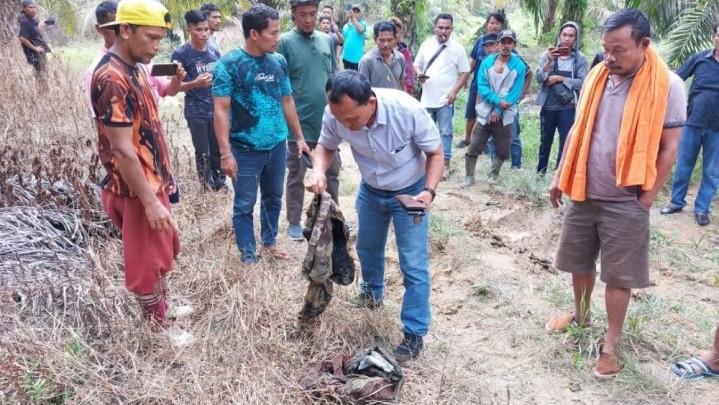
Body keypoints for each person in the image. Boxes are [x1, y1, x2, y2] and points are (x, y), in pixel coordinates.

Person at [545, 9, 687, 378]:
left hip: (626, 199)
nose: (609, 57)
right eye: (606, 49)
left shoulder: (668, 85)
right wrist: (561, 174)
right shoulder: (597, 75)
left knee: (619, 276)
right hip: (583, 188)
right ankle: (581, 315)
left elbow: (670, 148)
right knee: (578, 262)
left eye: (618, 50)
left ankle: (611, 344)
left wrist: (647, 198)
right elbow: (578, 130)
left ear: (644, 45)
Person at [305, 70, 443, 362]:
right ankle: (371, 295)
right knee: (367, 248)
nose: (346, 126)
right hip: (371, 190)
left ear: (370, 102)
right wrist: (318, 170)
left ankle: (414, 334)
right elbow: (326, 146)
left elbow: (435, 153)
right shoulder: (337, 114)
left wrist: (428, 193)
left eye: (351, 120)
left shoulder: (406, 111)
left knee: (413, 263)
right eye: (340, 119)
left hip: (410, 192)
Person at [90, 0, 194, 346]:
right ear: (124, 30)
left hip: (151, 180)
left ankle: (161, 307)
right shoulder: (111, 77)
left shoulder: (134, 66)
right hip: (135, 190)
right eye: (150, 38)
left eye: (160, 39)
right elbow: (122, 148)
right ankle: (158, 328)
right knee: (147, 260)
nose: (156, 47)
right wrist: (150, 202)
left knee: (163, 250)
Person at [213, 3, 310, 264]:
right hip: (244, 148)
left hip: (277, 145)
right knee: (244, 203)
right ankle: (247, 254)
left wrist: (298, 136)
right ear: (253, 34)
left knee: (273, 197)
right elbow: (220, 110)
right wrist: (225, 153)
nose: (278, 38)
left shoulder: (278, 62)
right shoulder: (229, 65)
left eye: (279, 32)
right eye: (273, 33)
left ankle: (269, 242)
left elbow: (287, 100)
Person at [278, 0, 341, 241]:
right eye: (302, 14)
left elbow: (334, 76)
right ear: (293, 14)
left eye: (312, 14)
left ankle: (332, 217)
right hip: (298, 125)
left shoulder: (327, 39)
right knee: (297, 174)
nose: (308, 19)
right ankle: (294, 222)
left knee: (332, 172)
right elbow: (282, 88)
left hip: (327, 123)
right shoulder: (284, 42)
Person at [660, 22, 719, 227]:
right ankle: (677, 202)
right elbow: (676, 78)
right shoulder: (701, 58)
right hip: (692, 121)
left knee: (712, 171)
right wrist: (678, 101)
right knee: (684, 165)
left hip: (718, 130)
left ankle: (702, 209)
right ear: (714, 37)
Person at [462, 30, 525, 187]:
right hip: (484, 112)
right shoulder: (487, 63)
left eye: (509, 42)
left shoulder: (519, 65)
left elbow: (515, 92)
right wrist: (497, 102)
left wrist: (498, 110)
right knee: (475, 143)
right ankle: (469, 176)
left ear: (514, 45)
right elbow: (482, 87)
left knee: (503, 148)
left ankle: (493, 175)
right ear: (497, 44)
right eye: (503, 42)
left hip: (506, 114)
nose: (505, 46)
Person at [171, 10, 225, 192]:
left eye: (206, 30)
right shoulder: (180, 55)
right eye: (199, 30)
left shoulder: (213, 51)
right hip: (196, 112)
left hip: (216, 110)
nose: (203, 34)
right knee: (203, 153)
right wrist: (195, 83)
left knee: (218, 150)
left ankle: (220, 183)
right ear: (189, 30)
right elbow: (173, 88)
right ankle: (206, 187)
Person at [413, 13, 470, 181]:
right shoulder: (426, 45)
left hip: (446, 100)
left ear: (451, 29)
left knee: (446, 133)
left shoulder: (457, 48)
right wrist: (419, 74)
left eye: (447, 28)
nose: (443, 31)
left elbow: (465, 71)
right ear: (435, 28)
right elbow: (417, 65)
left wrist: (454, 91)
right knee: (424, 132)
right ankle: (424, 164)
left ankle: (445, 166)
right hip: (427, 99)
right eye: (440, 27)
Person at [535, 21, 588, 174]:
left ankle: (560, 175)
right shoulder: (547, 55)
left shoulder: (579, 59)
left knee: (565, 142)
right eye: (564, 35)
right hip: (548, 105)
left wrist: (560, 78)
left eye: (571, 36)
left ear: (576, 38)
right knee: (545, 141)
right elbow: (539, 79)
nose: (567, 39)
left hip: (568, 106)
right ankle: (540, 172)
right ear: (559, 36)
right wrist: (548, 62)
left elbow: (582, 82)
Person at [456, 12, 503, 151]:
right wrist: (465, 77)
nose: (493, 26)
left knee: (489, 116)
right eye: (491, 22)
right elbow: (474, 62)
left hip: (494, 89)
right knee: (471, 113)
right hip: (477, 85)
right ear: (487, 24)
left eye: (497, 23)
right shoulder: (480, 40)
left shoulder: (504, 42)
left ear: (501, 25)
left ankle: (485, 144)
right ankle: (467, 139)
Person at [358, 21, 405, 90]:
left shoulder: (400, 58)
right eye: (382, 40)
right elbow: (362, 90)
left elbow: (402, 85)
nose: (386, 44)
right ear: (375, 39)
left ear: (395, 39)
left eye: (390, 40)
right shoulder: (366, 61)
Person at [18, 0, 50, 81]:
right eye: (30, 7)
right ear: (24, 9)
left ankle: (43, 93)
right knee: (41, 77)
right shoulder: (25, 22)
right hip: (35, 55)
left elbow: (33, 32)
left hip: (39, 54)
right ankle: (42, 93)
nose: (33, 10)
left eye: (35, 7)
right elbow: (22, 38)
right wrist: (35, 48)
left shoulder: (31, 20)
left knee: (42, 75)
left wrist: (39, 25)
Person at [388, 16, 414, 95]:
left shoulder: (405, 54)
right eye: (391, 32)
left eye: (397, 32)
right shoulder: (379, 52)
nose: (395, 35)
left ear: (401, 33)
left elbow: (409, 78)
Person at [341, 4, 366, 70]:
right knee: (347, 79)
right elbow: (342, 41)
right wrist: (338, 54)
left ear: (359, 13)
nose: (354, 13)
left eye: (356, 12)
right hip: (346, 58)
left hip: (357, 59)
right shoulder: (345, 26)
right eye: (353, 11)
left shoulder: (362, 23)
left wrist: (353, 18)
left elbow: (361, 30)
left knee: (356, 79)